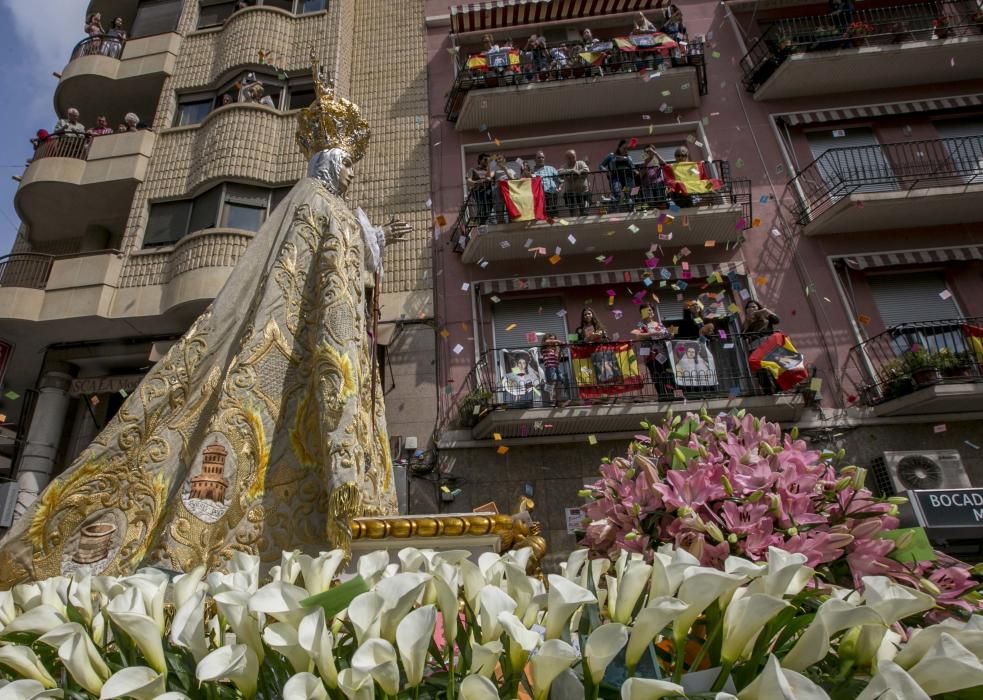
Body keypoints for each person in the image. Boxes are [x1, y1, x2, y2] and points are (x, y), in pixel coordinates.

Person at [0, 64, 407, 585]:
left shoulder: (327, 209)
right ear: (327, 160)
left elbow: (339, 272)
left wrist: (374, 248)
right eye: (345, 164)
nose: (350, 174)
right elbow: (323, 277)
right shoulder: (314, 203)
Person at [631, 302, 672, 395]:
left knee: (666, 374)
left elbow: (667, 335)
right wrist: (652, 334)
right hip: (650, 355)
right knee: (656, 375)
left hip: (662, 353)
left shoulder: (659, 324)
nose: (650, 311)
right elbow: (637, 336)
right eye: (647, 310)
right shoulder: (641, 324)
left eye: (651, 309)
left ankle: (671, 394)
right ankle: (662, 396)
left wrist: (669, 335)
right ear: (643, 313)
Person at [743, 299, 781, 394]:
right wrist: (747, 322)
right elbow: (743, 336)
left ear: (758, 308)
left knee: (773, 366)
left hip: (768, 344)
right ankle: (768, 390)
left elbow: (777, 321)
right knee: (761, 370)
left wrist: (767, 311)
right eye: (749, 307)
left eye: (754, 306)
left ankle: (779, 387)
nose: (751, 308)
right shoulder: (747, 321)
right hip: (755, 347)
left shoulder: (765, 315)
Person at [599, 139, 636, 212]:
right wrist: (607, 171)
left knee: (629, 194)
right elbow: (601, 166)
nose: (626, 150)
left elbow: (633, 168)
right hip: (616, 178)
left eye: (627, 148)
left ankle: (631, 209)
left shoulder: (629, 158)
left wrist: (635, 171)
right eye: (624, 148)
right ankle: (615, 210)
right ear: (619, 148)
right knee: (617, 192)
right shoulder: (611, 156)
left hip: (627, 179)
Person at [557, 149, 591, 216]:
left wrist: (578, 172)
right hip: (571, 193)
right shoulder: (564, 166)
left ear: (575, 156)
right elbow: (559, 172)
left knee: (584, 212)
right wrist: (571, 171)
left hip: (583, 192)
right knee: (573, 213)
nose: (572, 159)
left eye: (573, 157)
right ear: (566, 159)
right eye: (569, 158)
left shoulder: (581, 163)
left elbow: (587, 170)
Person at [467, 152, 494, 223]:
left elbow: (489, 177)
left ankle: (484, 221)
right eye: (485, 159)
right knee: (482, 208)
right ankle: (481, 222)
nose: (486, 161)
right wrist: (477, 182)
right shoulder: (473, 169)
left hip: (488, 192)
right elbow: (469, 180)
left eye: (487, 160)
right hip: (478, 192)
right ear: (479, 160)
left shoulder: (489, 170)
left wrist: (489, 165)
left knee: (488, 208)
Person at [540, 333, 566, 404]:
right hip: (549, 367)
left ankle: (558, 399)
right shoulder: (545, 348)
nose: (553, 341)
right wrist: (558, 341)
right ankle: (550, 399)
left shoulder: (554, 349)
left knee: (559, 382)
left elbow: (557, 359)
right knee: (551, 382)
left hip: (556, 367)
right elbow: (546, 342)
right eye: (551, 339)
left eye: (554, 339)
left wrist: (558, 349)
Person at [532, 151, 560, 217]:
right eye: (539, 158)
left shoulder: (551, 169)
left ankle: (554, 225)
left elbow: (560, 180)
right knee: (543, 214)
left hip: (551, 193)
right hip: (538, 196)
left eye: (542, 157)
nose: (541, 159)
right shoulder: (532, 171)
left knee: (553, 214)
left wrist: (559, 188)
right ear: (535, 160)